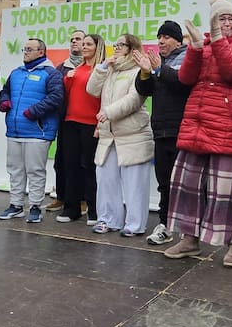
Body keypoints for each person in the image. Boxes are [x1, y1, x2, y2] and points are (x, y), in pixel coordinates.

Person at [163, 0, 232, 268]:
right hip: (197, 121)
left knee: (224, 189)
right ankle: (189, 239)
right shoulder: (203, 45)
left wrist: (216, 39)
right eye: (220, 18)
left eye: (230, 18)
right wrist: (194, 48)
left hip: (228, 123)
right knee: (187, 184)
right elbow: (186, 78)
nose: (226, 23)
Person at [87, 33, 153, 236]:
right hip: (109, 136)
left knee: (135, 184)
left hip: (133, 135)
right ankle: (108, 220)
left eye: (121, 45)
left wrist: (109, 112)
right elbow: (91, 90)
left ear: (132, 49)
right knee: (106, 181)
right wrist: (102, 67)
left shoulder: (139, 70)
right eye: (115, 44)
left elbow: (135, 100)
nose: (116, 48)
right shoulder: (110, 69)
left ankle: (135, 225)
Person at [135, 21, 191, 245]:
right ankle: (165, 225)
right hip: (160, 131)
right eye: (159, 37)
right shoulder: (158, 61)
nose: (161, 41)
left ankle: (188, 230)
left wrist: (159, 70)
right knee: (164, 182)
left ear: (178, 40)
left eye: (166, 37)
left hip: (182, 131)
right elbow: (144, 90)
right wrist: (145, 72)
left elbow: (182, 83)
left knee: (185, 184)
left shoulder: (187, 58)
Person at [0, 38, 64, 223]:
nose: (25, 52)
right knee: (15, 170)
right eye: (24, 49)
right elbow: (5, 91)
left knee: (35, 171)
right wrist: (3, 101)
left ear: (41, 52)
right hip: (15, 131)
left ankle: (35, 207)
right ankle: (16, 205)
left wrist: (34, 111)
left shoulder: (51, 73)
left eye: (29, 49)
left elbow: (56, 97)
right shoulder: (16, 73)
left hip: (38, 131)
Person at [57, 33, 103, 224]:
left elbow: (104, 97)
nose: (84, 47)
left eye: (88, 44)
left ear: (97, 47)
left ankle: (94, 210)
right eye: (82, 44)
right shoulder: (76, 70)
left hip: (91, 124)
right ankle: (71, 209)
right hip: (70, 122)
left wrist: (100, 124)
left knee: (90, 167)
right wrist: (68, 79)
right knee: (71, 165)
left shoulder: (102, 69)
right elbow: (67, 94)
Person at [48, 29, 85, 212]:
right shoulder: (61, 67)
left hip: (85, 121)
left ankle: (83, 200)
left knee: (83, 162)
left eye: (78, 39)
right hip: (64, 120)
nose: (74, 42)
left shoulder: (93, 66)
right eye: (72, 39)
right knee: (61, 161)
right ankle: (61, 197)